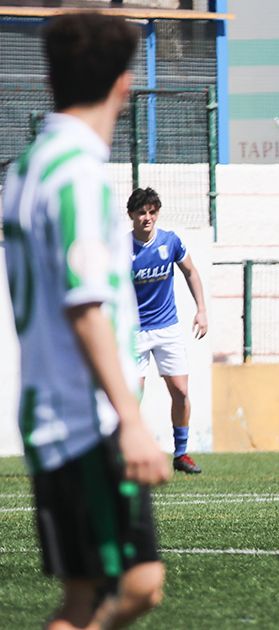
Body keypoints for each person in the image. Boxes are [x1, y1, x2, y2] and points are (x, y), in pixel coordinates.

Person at [1, 12, 170, 628]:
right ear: (125, 86)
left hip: (57, 411)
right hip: (82, 420)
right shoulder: (77, 176)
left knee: (120, 589)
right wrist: (130, 419)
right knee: (116, 591)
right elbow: (85, 305)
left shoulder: (26, 169)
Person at [128, 186, 208, 474]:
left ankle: (182, 453)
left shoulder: (170, 242)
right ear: (131, 216)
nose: (147, 218)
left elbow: (190, 271)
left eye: (152, 212)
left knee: (181, 392)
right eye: (141, 213)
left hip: (167, 328)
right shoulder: (122, 250)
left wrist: (201, 309)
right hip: (134, 333)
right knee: (132, 396)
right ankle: (129, 452)